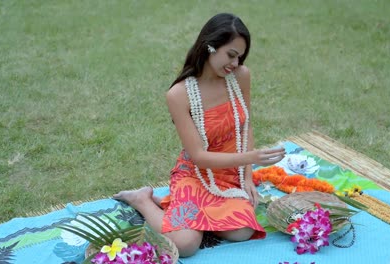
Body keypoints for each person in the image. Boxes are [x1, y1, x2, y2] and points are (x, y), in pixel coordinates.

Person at [114, 13, 285, 258]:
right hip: (195, 173)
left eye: (240, 57)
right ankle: (142, 200)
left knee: (243, 231)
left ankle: (186, 212)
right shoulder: (179, 94)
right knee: (185, 246)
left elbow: (245, 124)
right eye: (231, 55)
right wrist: (251, 156)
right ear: (210, 46)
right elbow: (199, 157)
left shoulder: (240, 76)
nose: (235, 64)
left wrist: (247, 174)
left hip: (229, 174)